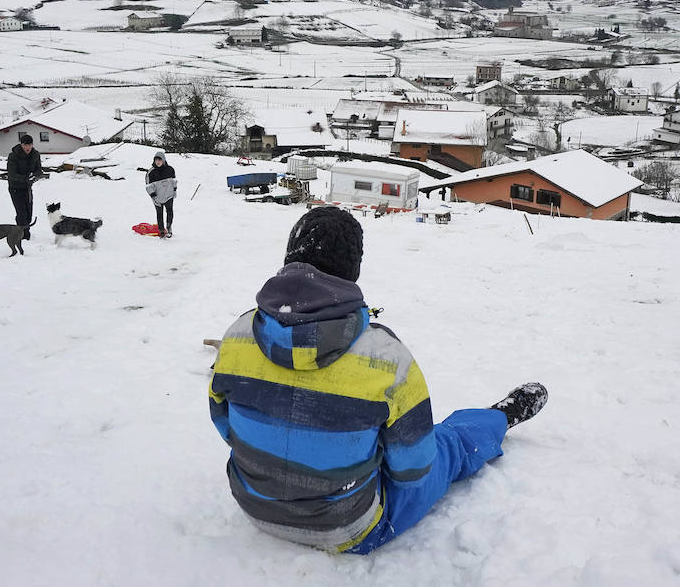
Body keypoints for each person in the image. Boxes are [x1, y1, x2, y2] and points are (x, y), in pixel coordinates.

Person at [207, 206, 547, 554]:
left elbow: (224, 425)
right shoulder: (385, 357)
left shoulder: (236, 338)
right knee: (447, 444)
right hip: (347, 528)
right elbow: (413, 469)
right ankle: (501, 417)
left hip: (253, 507)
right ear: (353, 270)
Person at [6, 132, 44, 239]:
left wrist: (35, 176)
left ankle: (26, 232)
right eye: (25, 145)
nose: (27, 147)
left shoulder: (35, 154)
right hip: (15, 188)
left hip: (27, 188)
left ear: (32, 144)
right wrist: (26, 178)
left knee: (29, 213)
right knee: (21, 213)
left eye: (29, 145)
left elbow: (39, 170)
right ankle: (22, 235)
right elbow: (12, 174)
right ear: (21, 145)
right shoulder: (13, 155)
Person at [145, 153, 177, 238]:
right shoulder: (151, 172)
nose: (158, 162)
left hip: (169, 196)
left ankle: (169, 227)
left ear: (163, 160)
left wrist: (174, 190)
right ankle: (161, 230)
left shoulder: (170, 169)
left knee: (169, 211)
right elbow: (148, 186)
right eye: (156, 160)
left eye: (159, 160)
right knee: (159, 213)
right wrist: (153, 196)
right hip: (157, 197)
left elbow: (174, 181)